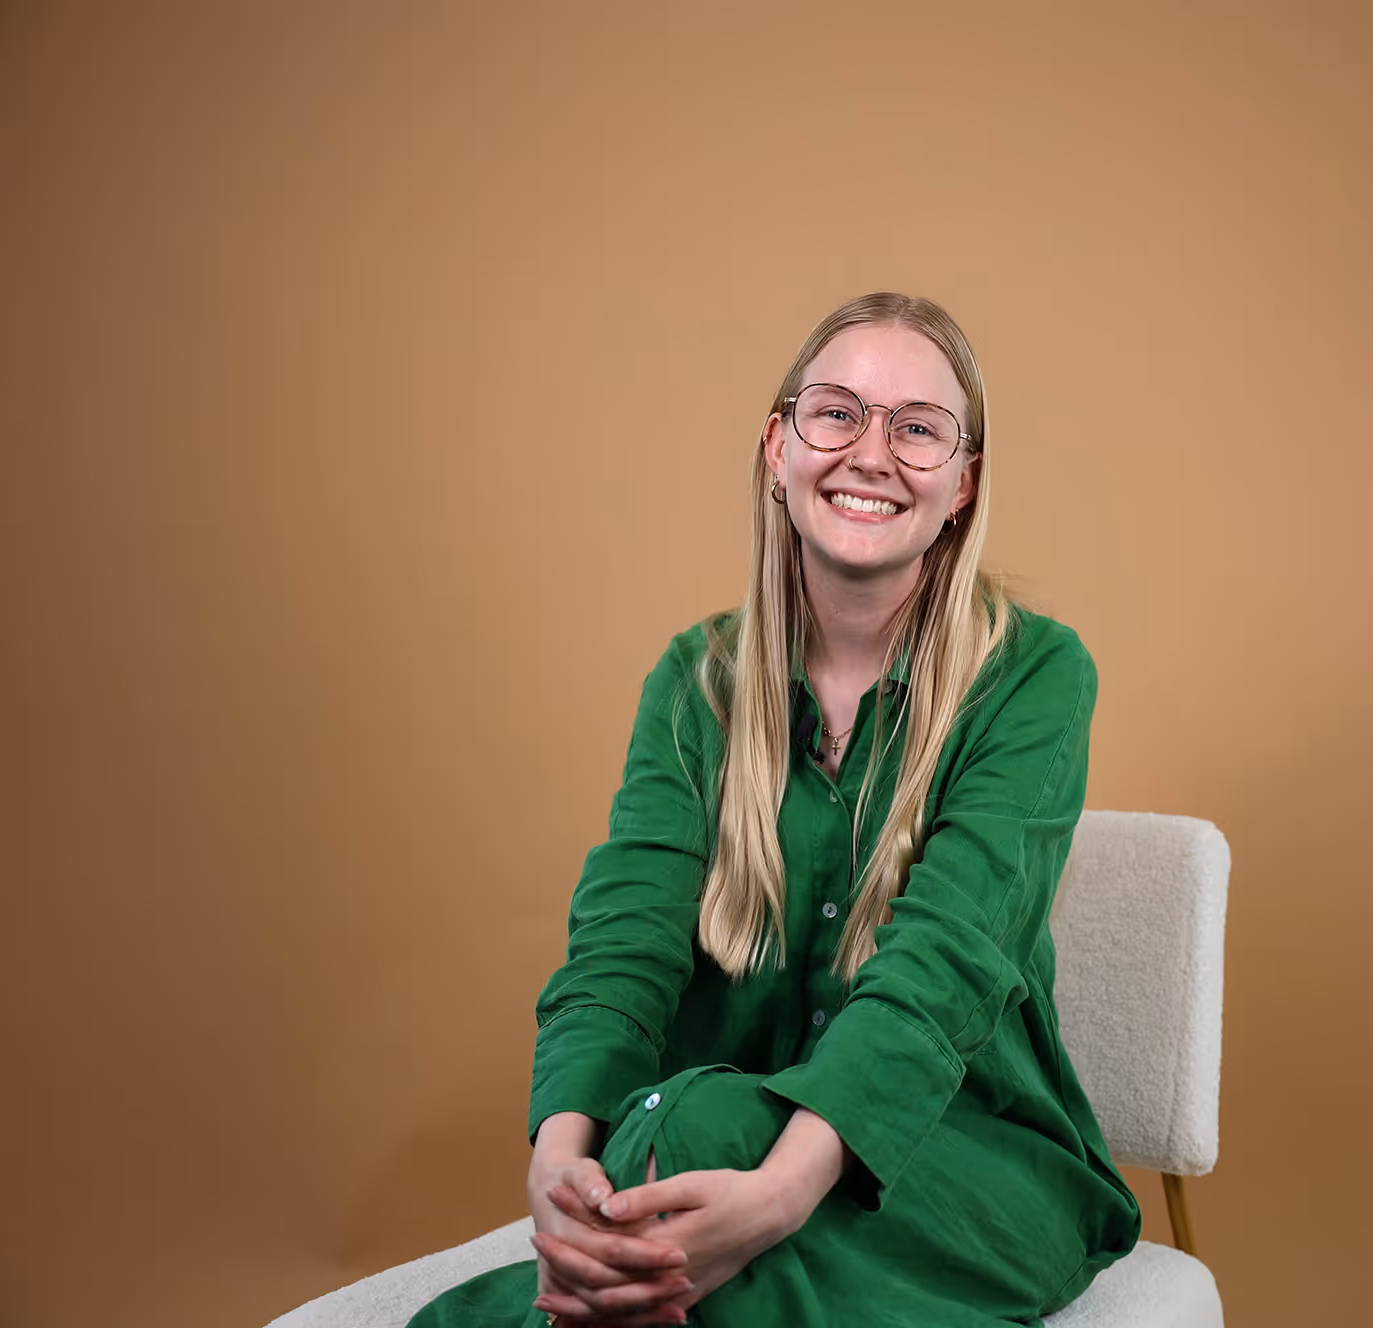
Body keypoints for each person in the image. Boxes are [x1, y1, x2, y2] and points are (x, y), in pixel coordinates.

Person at [408, 293, 1139, 1328]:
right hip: (726, 1125)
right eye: (836, 412)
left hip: (970, 1155)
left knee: (684, 1211)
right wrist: (561, 1164)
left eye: (919, 428)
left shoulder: (1035, 675)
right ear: (777, 446)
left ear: (963, 484)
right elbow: (626, 939)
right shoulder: (697, 677)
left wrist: (784, 1189)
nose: (871, 453)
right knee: (686, 1150)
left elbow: (947, 959)